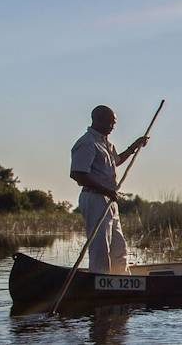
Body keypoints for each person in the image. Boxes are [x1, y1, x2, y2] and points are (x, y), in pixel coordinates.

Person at [69, 105, 149, 274]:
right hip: (94, 198)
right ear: (97, 120)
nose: (113, 126)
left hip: (109, 200)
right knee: (100, 247)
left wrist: (135, 146)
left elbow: (117, 160)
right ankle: (100, 281)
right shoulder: (87, 142)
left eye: (114, 123)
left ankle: (120, 280)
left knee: (119, 247)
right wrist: (106, 191)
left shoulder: (107, 143)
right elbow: (77, 174)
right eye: (110, 122)